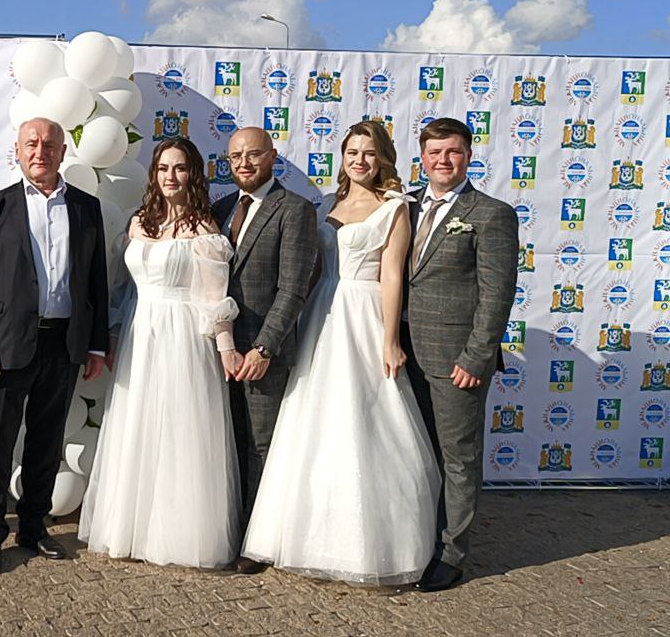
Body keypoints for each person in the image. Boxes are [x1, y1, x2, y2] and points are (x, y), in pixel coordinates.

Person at [241, 121, 442, 585]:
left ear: (383, 158)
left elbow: (392, 276)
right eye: (352, 152)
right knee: (312, 423)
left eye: (369, 153)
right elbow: (311, 271)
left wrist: (389, 340)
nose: (359, 161)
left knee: (363, 421)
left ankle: (367, 546)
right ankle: (302, 536)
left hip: (364, 314)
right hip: (320, 315)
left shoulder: (394, 207)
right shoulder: (327, 204)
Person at [79, 137, 242, 569]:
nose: (171, 176)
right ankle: (130, 528)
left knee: (181, 430)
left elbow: (215, 297)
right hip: (140, 335)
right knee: (138, 426)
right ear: (154, 174)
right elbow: (121, 290)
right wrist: (113, 337)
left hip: (184, 336)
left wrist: (226, 348)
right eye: (164, 168)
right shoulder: (138, 224)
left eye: (180, 168)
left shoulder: (204, 230)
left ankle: (179, 535)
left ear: (193, 175)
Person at [0, 117, 109, 574]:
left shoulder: (86, 207)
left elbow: (96, 281)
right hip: (6, 345)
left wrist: (96, 345)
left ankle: (32, 526)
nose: (40, 152)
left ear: (62, 152)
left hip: (64, 342)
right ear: (18, 150)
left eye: (49, 144)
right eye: (31, 144)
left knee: (46, 443)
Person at [403, 118, 518, 592]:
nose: (443, 161)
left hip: (456, 360)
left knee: (458, 457)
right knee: (417, 452)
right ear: (422, 158)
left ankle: (451, 554)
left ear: (468, 156)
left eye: (452, 152)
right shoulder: (404, 206)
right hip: (404, 353)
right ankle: (418, 540)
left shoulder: (490, 214)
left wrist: (476, 357)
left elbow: (497, 295)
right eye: (434, 153)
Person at [209, 127, 318, 573]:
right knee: (224, 442)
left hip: (261, 353)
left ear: (273, 156)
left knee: (261, 446)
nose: (244, 164)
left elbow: (293, 290)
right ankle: (230, 529)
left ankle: (258, 541)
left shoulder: (294, 210)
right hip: (218, 350)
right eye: (236, 157)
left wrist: (263, 348)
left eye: (253, 155)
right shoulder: (219, 209)